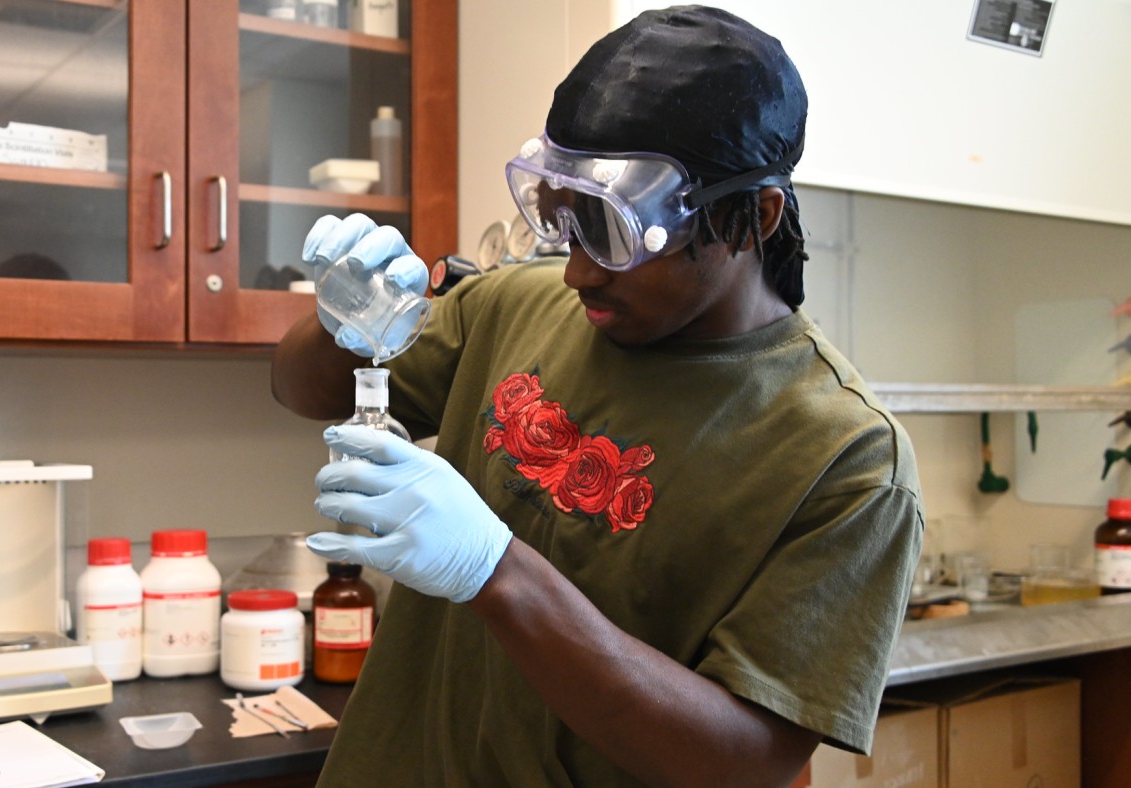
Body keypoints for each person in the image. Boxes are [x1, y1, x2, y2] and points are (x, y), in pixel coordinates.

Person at [271, 6, 924, 786]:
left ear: (753, 218)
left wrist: (497, 572)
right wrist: (340, 320)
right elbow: (301, 389)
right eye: (565, 225)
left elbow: (746, 763)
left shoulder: (844, 460)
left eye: (614, 235)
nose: (579, 272)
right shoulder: (518, 305)